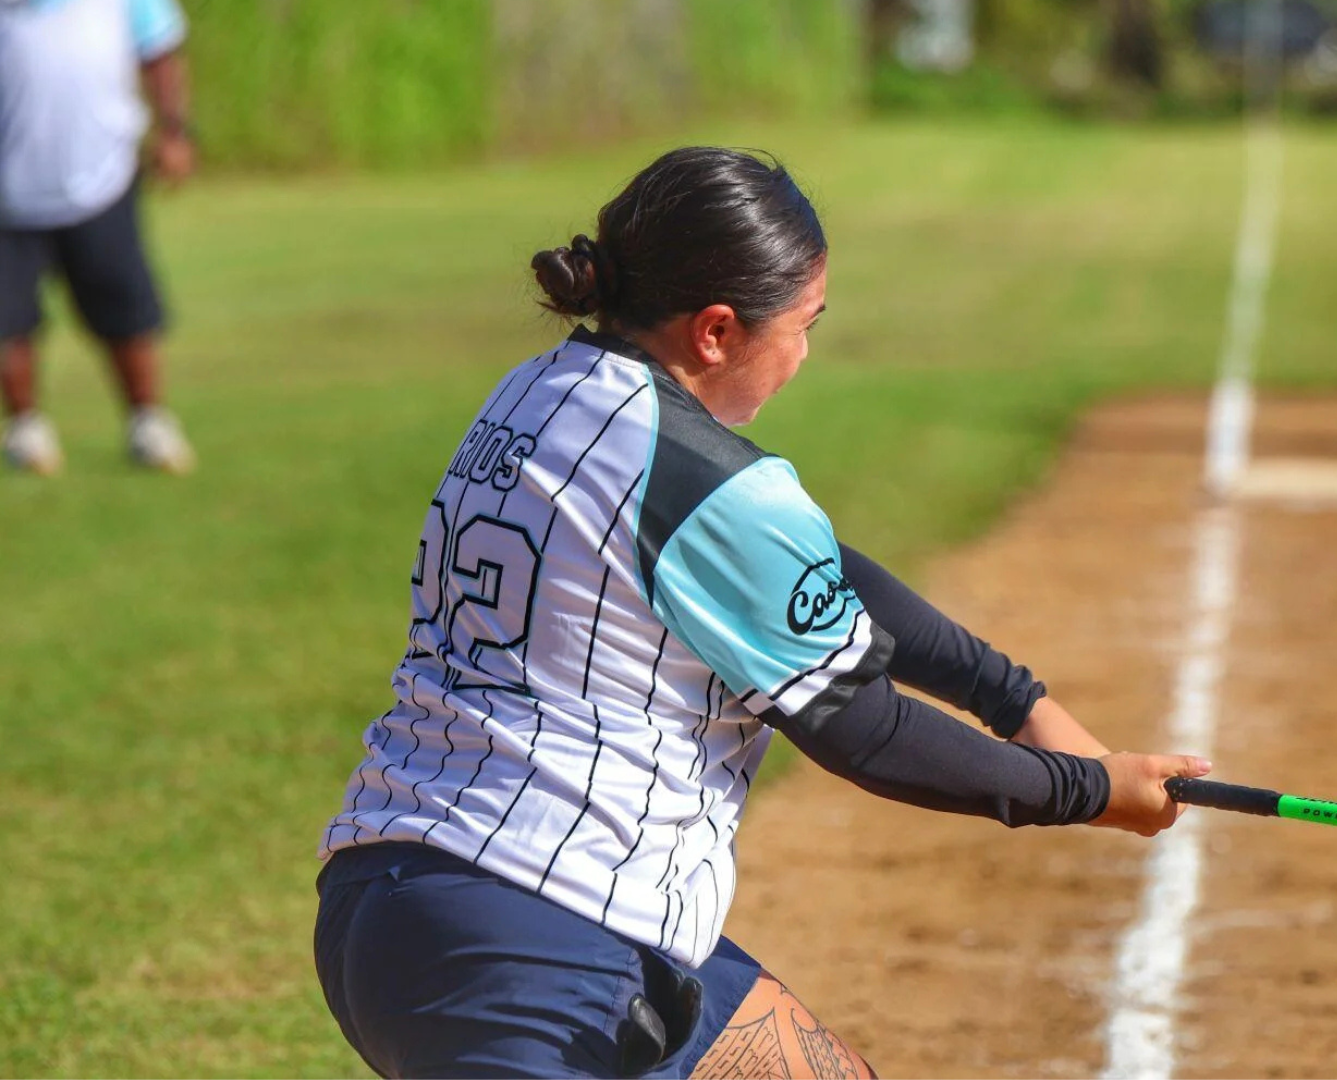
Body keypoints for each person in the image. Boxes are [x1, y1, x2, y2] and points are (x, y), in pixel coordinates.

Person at [312, 146, 1209, 1079]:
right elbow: (870, 732)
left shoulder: (540, 392)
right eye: (804, 324)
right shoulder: (702, 478)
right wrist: (1090, 792)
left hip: (405, 897)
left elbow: (822, 572)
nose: (807, 352)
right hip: (536, 950)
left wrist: (1015, 700)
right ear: (715, 331)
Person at [0, 0, 196, 475]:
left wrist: (174, 131)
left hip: (103, 172)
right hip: (8, 188)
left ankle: (148, 420)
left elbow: (160, 52)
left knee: (126, 307)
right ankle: (27, 427)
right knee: (6, 320)